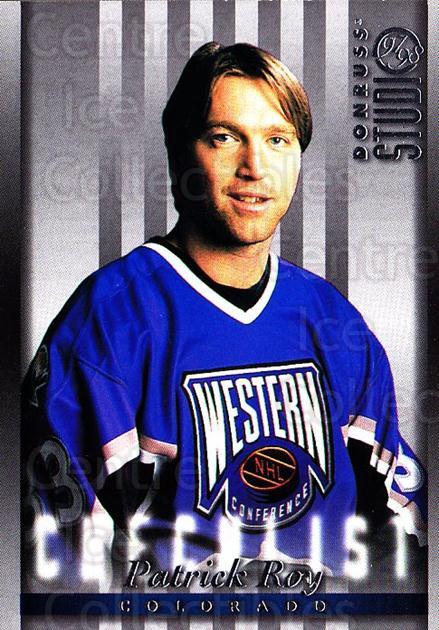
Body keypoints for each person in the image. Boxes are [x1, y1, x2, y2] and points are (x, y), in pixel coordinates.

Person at [22, 42, 426, 584]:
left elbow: (397, 540)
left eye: (277, 140)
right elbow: (58, 566)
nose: (255, 167)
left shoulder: (335, 322)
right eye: (224, 137)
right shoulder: (109, 321)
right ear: (179, 155)